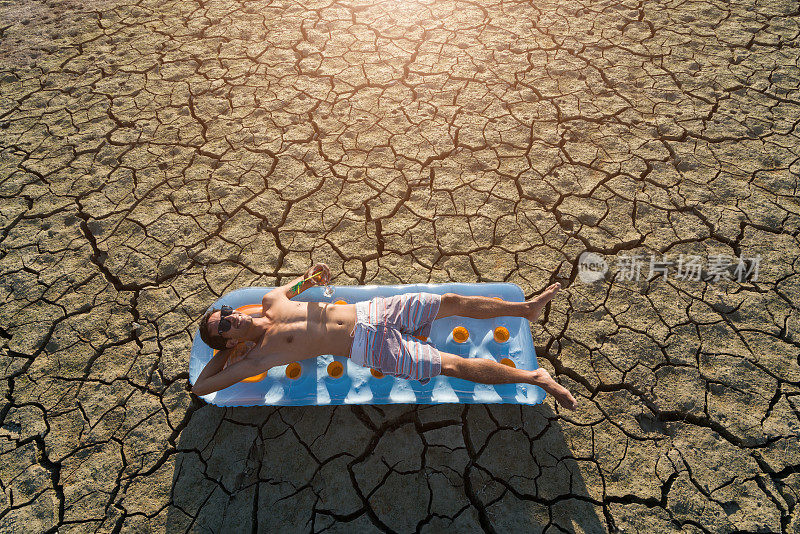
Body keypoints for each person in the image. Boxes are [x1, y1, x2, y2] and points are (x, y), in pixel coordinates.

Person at [191, 263, 577, 410]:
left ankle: (524, 309)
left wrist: (315, 275)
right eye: (222, 326)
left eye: (226, 314)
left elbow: (305, 282)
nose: (230, 318)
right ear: (226, 342)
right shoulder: (256, 357)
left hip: (374, 310)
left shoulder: (270, 299)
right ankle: (536, 378)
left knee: (451, 300)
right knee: (453, 365)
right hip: (369, 347)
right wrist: (229, 351)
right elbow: (202, 387)